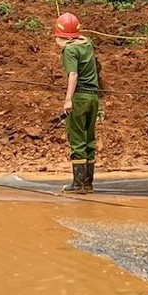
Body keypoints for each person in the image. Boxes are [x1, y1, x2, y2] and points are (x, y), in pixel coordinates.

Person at [55, 12, 101, 194]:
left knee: (77, 140)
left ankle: (78, 184)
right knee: (89, 139)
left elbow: (73, 75)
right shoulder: (87, 43)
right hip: (93, 98)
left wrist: (68, 100)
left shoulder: (70, 50)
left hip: (80, 98)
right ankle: (88, 183)